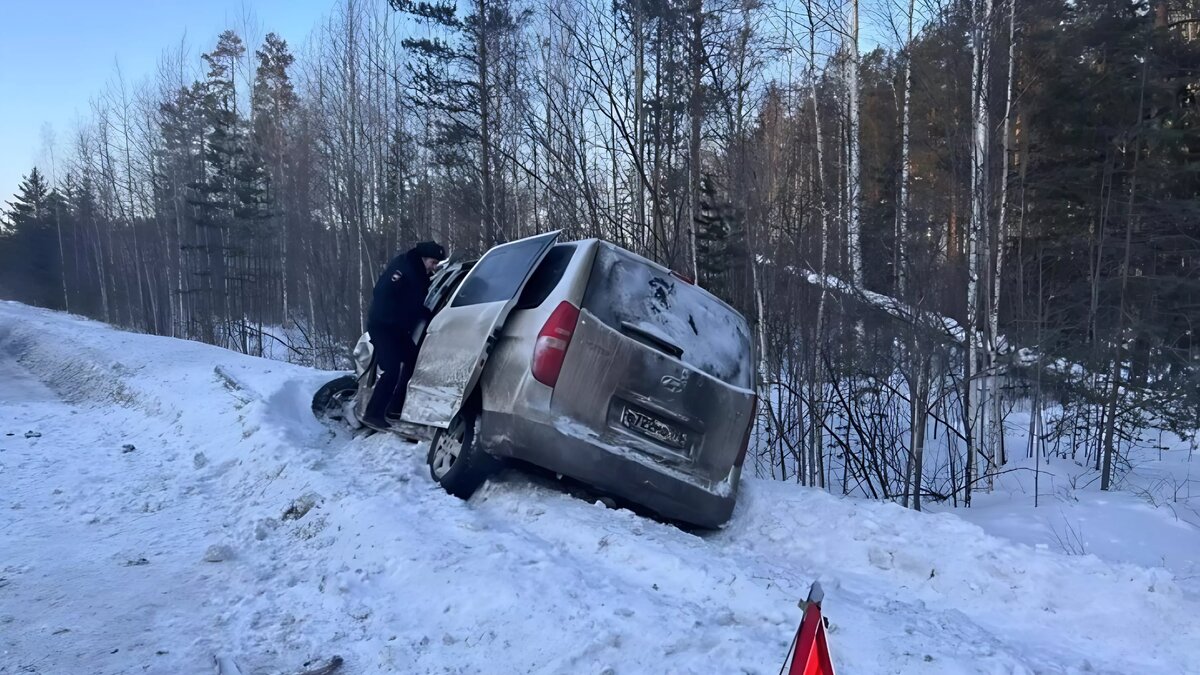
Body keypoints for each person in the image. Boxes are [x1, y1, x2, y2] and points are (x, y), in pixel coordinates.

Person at [362, 240, 446, 431]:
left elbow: (414, 302)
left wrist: (427, 314)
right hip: (383, 326)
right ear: (423, 258)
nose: (434, 267)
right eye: (433, 262)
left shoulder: (419, 272)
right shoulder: (403, 269)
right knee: (391, 370)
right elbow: (382, 293)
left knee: (413, 360)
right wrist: (398, 315)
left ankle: (395, 407)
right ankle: (373, 414)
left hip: (398, 329)